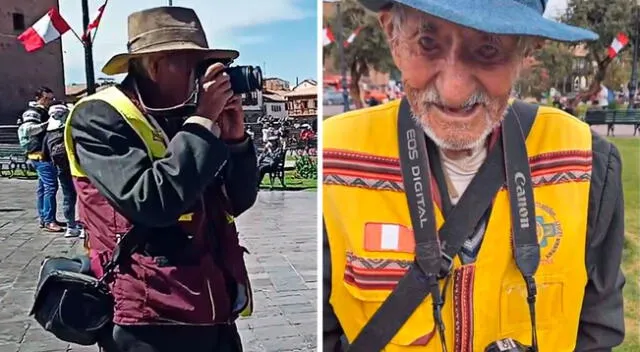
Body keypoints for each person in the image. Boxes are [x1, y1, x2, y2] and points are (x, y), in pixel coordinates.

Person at [323, 1, 625, 351]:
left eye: (487, 49)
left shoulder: (587, 162)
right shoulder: (336, 158)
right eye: (427, 43)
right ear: (393, 35)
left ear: (528, 49)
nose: (454, 91)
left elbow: (597, 334)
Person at [64, 7, 258, 352]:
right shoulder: (99, 116)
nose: (206, 77)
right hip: (150, 314)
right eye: (193, 66)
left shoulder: (184, 115)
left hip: (212, 305)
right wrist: (201, 123)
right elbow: (151, 203)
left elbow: (235, 202)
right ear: (155, 65)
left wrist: (236, 142)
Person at [17, 87, 63, 232]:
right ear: (39, 98)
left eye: (51, 99)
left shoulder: (43, 111)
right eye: (47, 99)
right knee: (51, 186)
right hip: (40, 154)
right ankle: (49, 220)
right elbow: (28, 129)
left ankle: (45, 218)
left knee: (43, 187)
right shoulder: (33, 112)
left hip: (42, 153)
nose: (50, 102)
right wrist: (49, 124)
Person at [42, 103, 82, 238]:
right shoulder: (72, 129)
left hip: (61, 169)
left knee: (68, 197)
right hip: (78, 168)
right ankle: (84, 227)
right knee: (82, 196)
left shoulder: (49, 132)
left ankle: (71, 227)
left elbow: (45, 155)